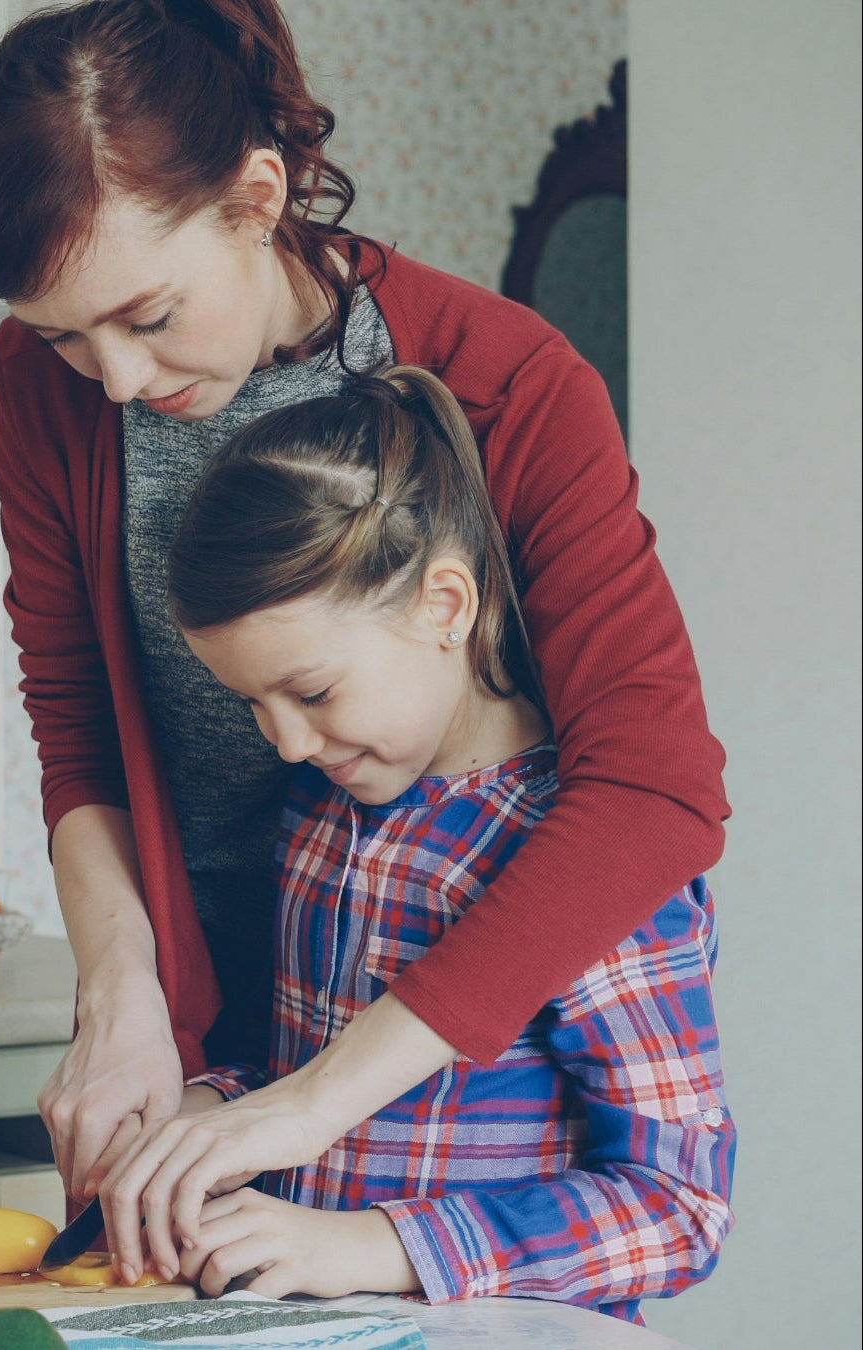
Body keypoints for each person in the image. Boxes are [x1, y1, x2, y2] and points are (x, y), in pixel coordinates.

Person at [0, 0, 730, 1278]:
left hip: (446, 1057)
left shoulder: (507, 381)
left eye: (148, 317)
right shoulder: (45, 387)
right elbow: (76, 721)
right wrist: (125, 1000)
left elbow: (653, 791)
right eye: (61, 336)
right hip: (228, 1050)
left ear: (257, 199)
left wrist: (314, 1104)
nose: (117, 380)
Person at [104, 365, 733, 1318]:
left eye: (311, 692)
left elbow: (677, 1209)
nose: (287, 741)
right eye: (253, 706)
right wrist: (203, 1116)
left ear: (445, 605)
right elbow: (296, 1079)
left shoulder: (586, 863)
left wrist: (372, 1246)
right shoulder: (321, 815)